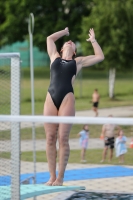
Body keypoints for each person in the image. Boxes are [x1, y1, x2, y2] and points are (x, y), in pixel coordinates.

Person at [43, 27, 104, 186]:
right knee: (50, 138)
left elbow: (100, 56)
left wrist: (93, 41)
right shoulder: (54, 56)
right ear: (62, 48)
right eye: (67, 42)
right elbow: (50, 38)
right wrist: (64, 32)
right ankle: (51, 177)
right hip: (51, 98)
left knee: (63, 138)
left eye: (73, 43)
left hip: (67, 99)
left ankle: (60, 178)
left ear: (75, 51)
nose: (70, 42)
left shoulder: (77, 62)